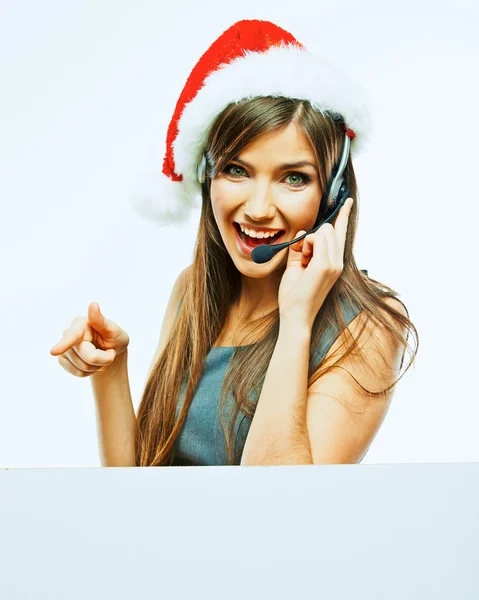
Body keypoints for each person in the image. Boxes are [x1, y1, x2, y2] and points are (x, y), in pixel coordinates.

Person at [50, 19, 418, 467]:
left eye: (294, 178)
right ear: (208, 177)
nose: (259, 208)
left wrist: (296, 319)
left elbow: (281, 506)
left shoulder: (370, 327)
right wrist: (111, 371)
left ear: (334, 196)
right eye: (237, 171)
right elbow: (139, 489)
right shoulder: (194, 290)